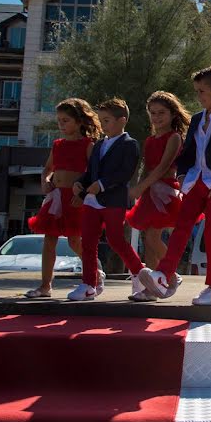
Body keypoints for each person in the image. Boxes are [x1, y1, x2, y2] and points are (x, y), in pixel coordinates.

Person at [138, 67, 211, 306]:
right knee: (181, 228)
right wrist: (180, 173)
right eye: (197, 92)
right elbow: (189, 151)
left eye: (202, 92)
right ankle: (163, 275)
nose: (199, 97)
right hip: (194, 182)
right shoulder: (198, 119)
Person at [25, 98, 100, 298]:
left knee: (75, 241)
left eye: (66, 120)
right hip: (56, 197)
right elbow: (47, 170)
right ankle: (45, 286)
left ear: (79, 121)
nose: (61, 124)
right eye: (59, 120)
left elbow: (94, 172)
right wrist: (45, 180)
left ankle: (94, 272)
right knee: (49, 239)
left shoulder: (88, 144)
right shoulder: (57, 145)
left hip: (76, 198)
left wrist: (83, 194)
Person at [70, 98, 143, 301]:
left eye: (107, 120)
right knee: (88, 242)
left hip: (113, 200)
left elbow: (124, 172)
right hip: (92, 201)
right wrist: (80, 182)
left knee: (116, 239)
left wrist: (102, 184)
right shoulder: (99, 144)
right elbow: (90, 171)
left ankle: (139, 274)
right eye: (101, 120)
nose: (103, 125)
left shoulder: (130, 144)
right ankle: (88, 284)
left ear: (122, 120)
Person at [125, 91, 190, 302]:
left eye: (161, 113)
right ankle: (152, 287)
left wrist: (141, 186)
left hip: (165, 192)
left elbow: (163, 168)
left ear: (172, 114)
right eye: (152, 113)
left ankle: (171, 274)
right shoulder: (150, 140)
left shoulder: (174, 137)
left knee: (153, 236)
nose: (156, 117)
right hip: (149, 192)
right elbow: (146, 167)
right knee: (147, 238)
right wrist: (140, 188)